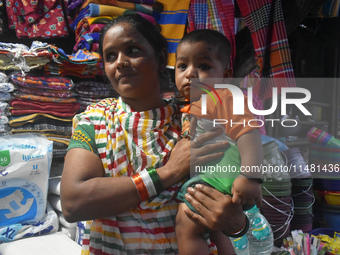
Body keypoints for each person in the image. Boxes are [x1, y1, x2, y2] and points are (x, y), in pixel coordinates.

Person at [60, 14, 249, 255]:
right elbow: (74, 202)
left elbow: (220, 196)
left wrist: (236, 223)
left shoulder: (196, 121)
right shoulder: (95, 120)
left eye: (133, 50)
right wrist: (168, 173)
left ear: (161, 59)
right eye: (111, 56)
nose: (120, 62)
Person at [174, 29, 264, 255]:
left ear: (226, 73)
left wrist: (251, 177)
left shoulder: (224, 97)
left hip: (221, 180)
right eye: (182, 66)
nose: (190, 74)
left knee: (186, 223)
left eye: (203, 66)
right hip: (213, 180)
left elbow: (249, 135)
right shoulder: (192, 104)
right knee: (219, 232)